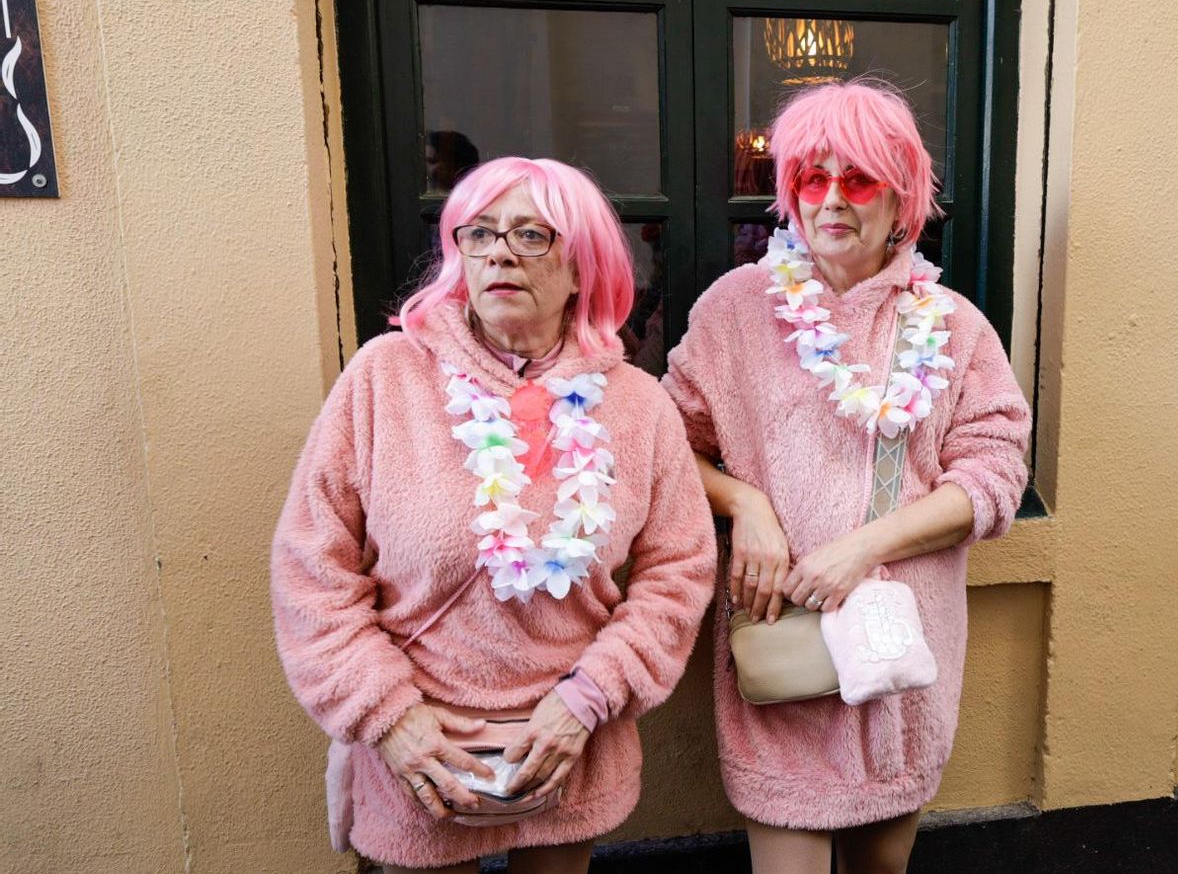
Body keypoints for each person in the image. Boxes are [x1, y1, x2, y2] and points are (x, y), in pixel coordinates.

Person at [272, 157, 716, 873]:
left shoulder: (637, 405)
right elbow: (311, 568)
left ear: (582, 269)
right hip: (419, 750)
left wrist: (589, 700)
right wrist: (388, 718)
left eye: (533, 235)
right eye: (479, 234)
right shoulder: (386, 379)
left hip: (568, 742)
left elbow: (679, 571)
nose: (500, 251)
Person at [662, 79, 1031, 873]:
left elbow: (996, 475)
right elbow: (665, 446)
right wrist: (745, 502)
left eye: (857, 179)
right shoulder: (736, 310)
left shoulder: (954, 326)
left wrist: (865, 547)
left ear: (901, 196)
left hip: (902, 656)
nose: (831, 199)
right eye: (811, 178)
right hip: (783, 640)